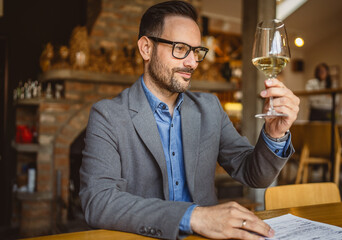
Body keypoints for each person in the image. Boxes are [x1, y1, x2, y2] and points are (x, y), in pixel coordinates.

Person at [79, 1, 300, 239]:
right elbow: (98, 201)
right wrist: (194, 217)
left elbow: (253, 174)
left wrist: (274, 135)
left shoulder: (210, 108)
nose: (192, 62)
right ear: (146, 48)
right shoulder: (108, 115)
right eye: (181, 48)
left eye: (196, 51)